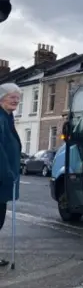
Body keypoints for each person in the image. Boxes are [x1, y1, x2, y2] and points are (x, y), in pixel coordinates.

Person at [0, 83, 22, 267]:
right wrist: (6, 172)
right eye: (11, 96)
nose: (16, 100)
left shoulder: (7, 117)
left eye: (18, 97)